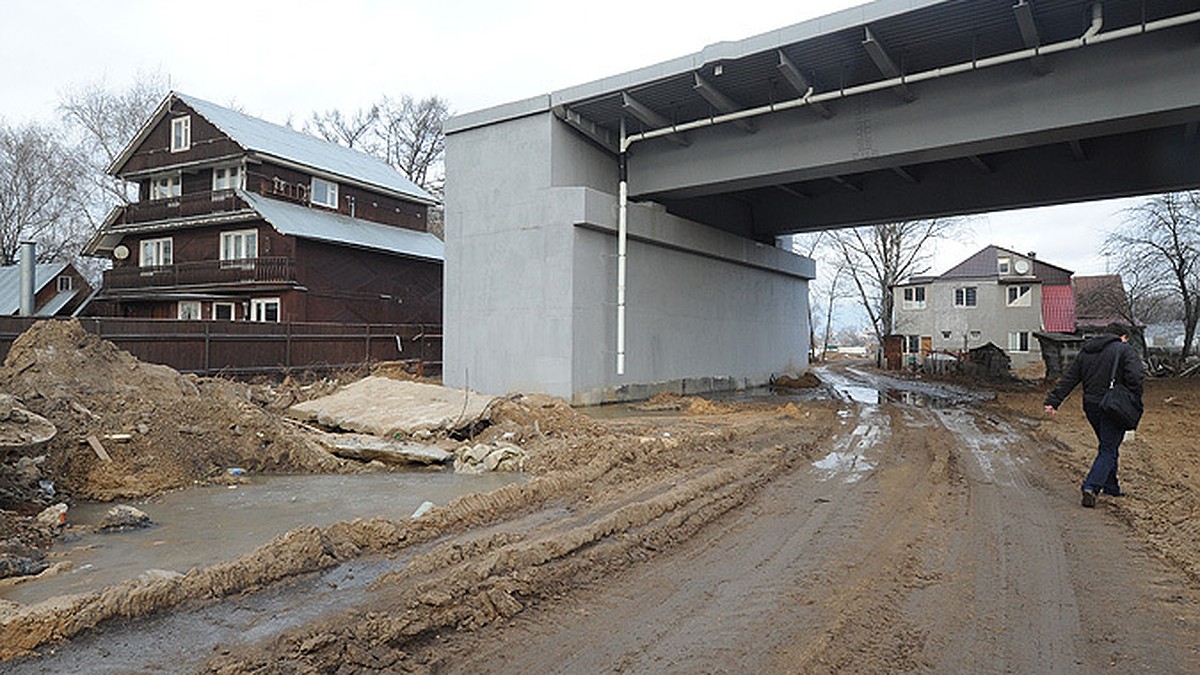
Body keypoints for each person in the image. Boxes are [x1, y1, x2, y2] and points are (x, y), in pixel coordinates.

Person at [1043, 322, 1144, 508]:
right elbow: (1136, 376)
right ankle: (1091, 486)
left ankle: (1111, 487)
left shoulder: (1087, 351)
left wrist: (1054, 401)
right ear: (1123, 336)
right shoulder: (1124, 350)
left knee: (1108, 445)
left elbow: (1071, 378)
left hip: (1091, 405)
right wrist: (1133, 396)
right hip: (1114, 405)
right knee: (1108, 448)